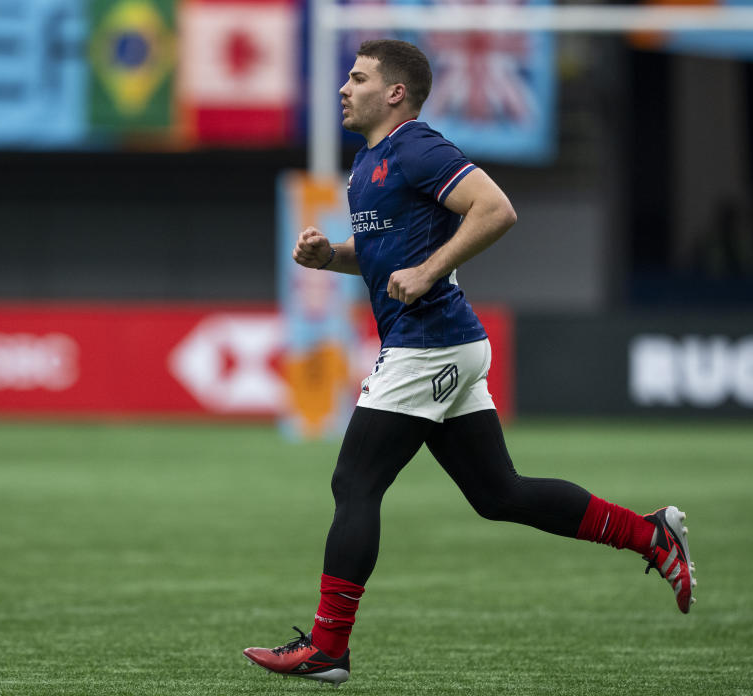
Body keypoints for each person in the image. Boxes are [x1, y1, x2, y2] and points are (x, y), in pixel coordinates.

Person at [243, 39, 695, 687]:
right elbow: (383, 254)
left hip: (428, 344)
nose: (344, 88)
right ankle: (650, 535)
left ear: (395, 92)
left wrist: (430, 270)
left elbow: (496, 209)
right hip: (441, 341)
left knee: (355, 483)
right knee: (497, 493)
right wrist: (332, 257)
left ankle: (328, 648)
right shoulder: (370, 160)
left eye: (358, 77)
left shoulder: (417, 147)